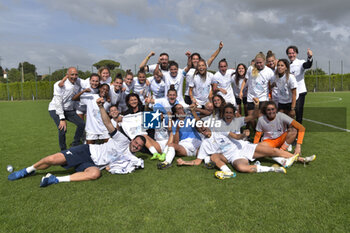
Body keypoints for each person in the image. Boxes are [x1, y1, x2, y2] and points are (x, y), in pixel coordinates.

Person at [8, 97, 146, 187]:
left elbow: (126, 166)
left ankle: (54, 179)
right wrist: (101, 107)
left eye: (139, 146)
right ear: (132, 139)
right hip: (86, 151)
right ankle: (27, 170)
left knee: (95, 174)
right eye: (136, 142)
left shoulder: (131, 157)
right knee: (53, 159)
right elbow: (108, 123)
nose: (136, 146)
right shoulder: (122, 139)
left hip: (93, 164)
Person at [48, 67, 85, 151]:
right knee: (62, 129)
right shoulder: (59, 85)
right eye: (72, 74)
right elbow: (58, 102)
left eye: (76, 74)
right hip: (55, 109)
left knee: (81, 124)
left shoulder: (77, 82)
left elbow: (87, 82)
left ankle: (75, 144)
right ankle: (63, 151)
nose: (74, 76)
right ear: (67, 75)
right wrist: (62, 118)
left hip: (69, 110)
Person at [157, 103, 202, 169]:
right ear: (175, 113)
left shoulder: (190, 118)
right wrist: (177, 129)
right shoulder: (175, 124)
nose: (182, 110)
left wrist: (193, 111)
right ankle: (167, 162)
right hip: (185, 147)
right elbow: (176, 142)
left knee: (205, 146)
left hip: (196, 143)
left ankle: (208, 162)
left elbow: (200, 125)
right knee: (171, 145)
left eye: (182, 108)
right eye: (179, 108)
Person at [239, 52, 275, 125]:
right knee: (251, 119)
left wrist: (271, 93)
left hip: (263, 99)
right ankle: (257, 133)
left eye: (260, 62)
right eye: (257, 63)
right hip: (251, 98)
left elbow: (273, 84)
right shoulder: (250, 68)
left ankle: (260, 135)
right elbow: (245, 80)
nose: (259, 64)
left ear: (264, 61)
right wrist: (241, 91)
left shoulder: (269, 71)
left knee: (261, 119)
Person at [286, 46, 313, 123]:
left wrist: (309, 57)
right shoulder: (287, 65)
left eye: (293, 53)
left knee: (298, 113)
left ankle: (299, 133)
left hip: (300, 92)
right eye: (289, 53)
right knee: (289, 113)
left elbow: (307, 65)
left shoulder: (300, 62)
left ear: (296, 53)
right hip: (290, 93)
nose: (291, 55)